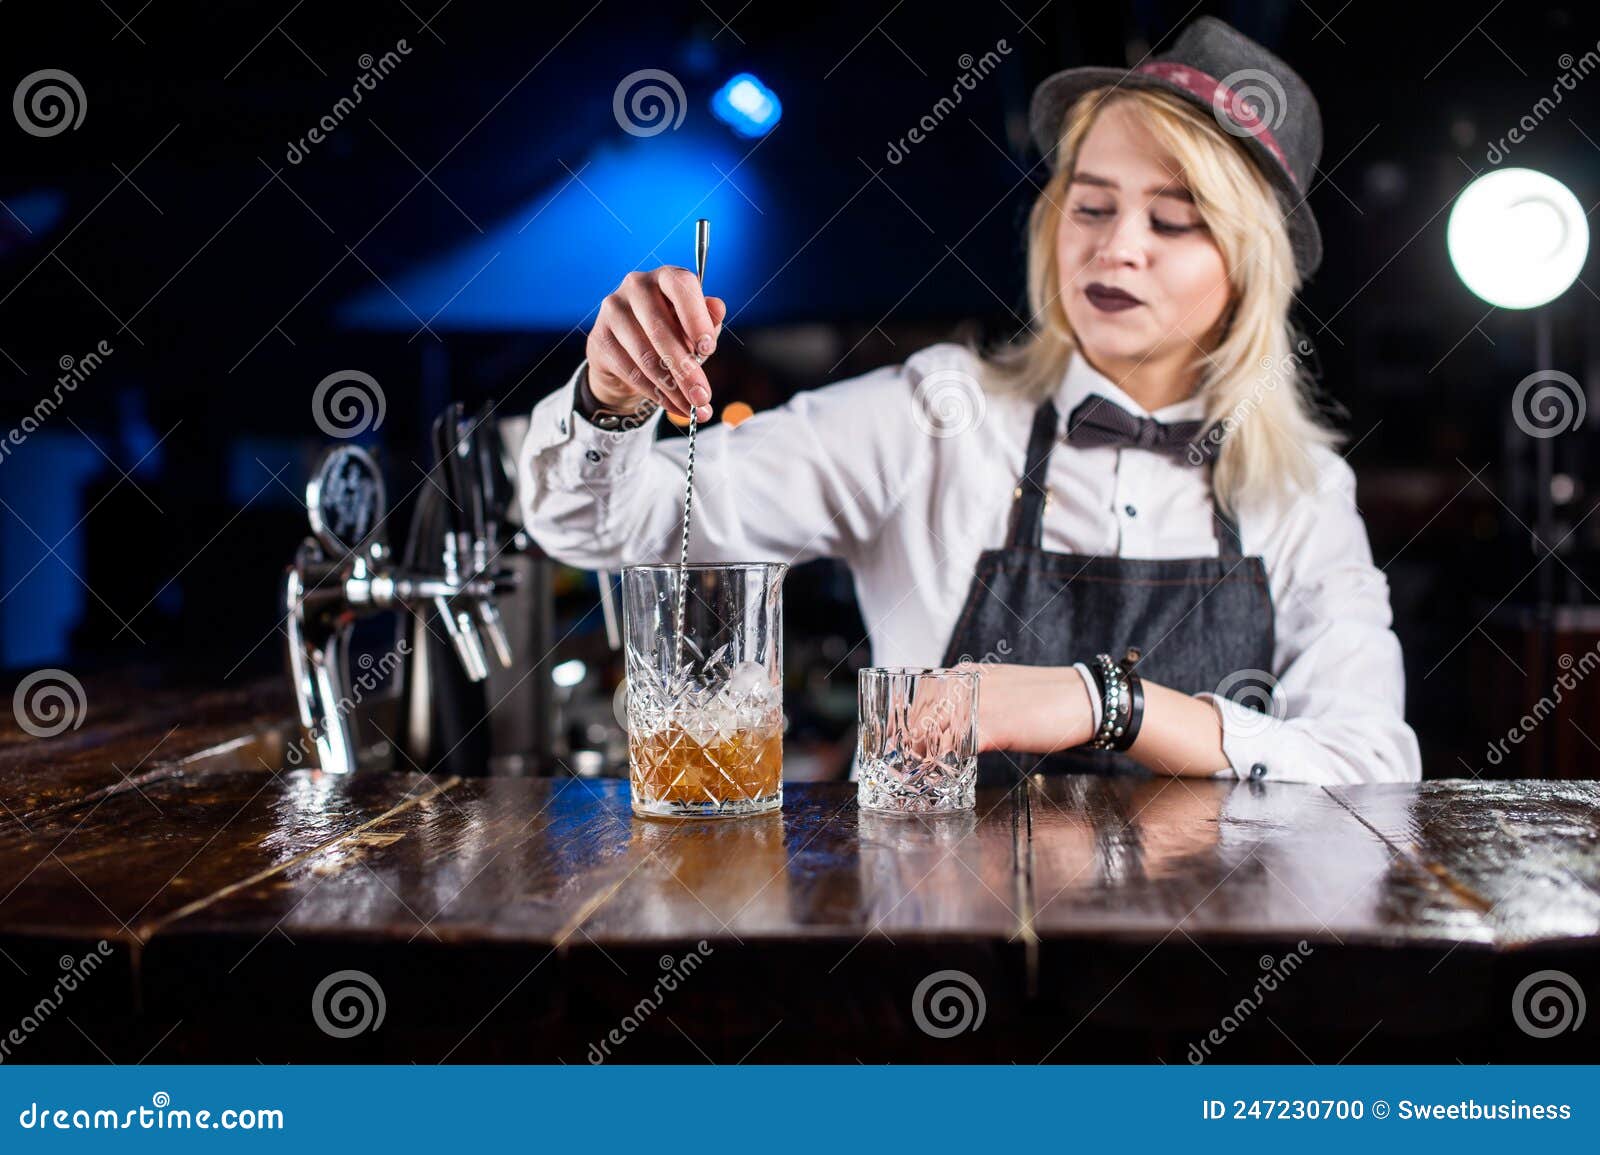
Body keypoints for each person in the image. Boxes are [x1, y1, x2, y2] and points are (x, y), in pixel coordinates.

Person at [518, 16, 1421, 786]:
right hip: (931, 960)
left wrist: (1106, 702)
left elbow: (1374, 769)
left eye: (1173, 220)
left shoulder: (1303, 492)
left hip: (1206, 980)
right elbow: (612, 529)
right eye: (1092, 206)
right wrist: (611, 399)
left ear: (1246, 266)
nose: (1118, 248)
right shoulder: (930, 419)